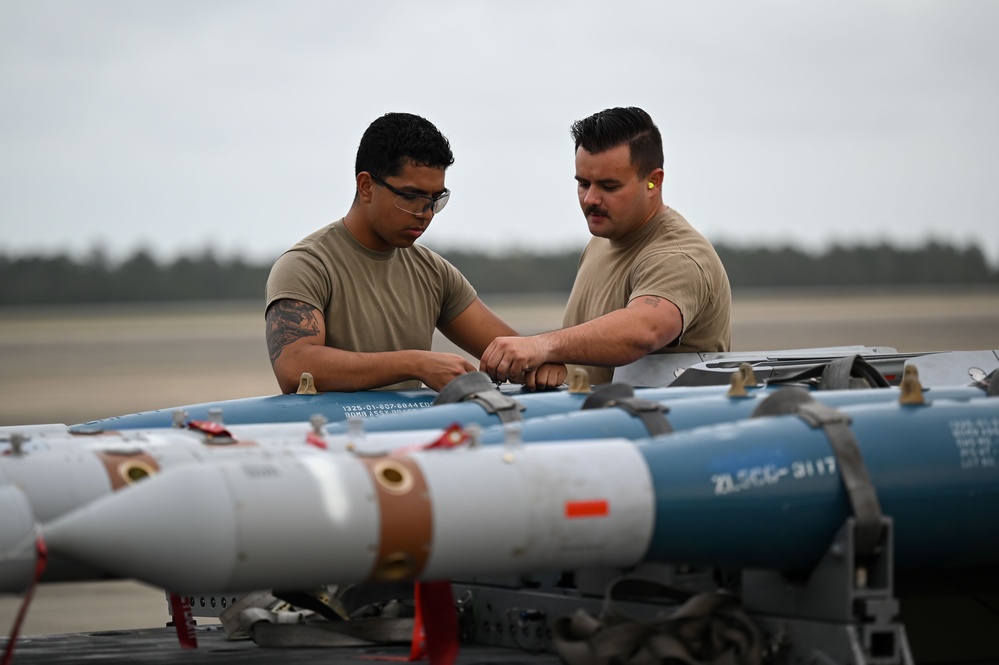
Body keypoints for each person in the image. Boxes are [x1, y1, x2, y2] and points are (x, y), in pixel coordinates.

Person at [265, 112, 566, 393]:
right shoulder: (306, 265)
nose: (425, 213)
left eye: (436, 199)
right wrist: (416, 365)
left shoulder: (433, 273)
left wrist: (540, 359)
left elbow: (513, 350)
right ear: (366, 186)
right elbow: (294, 367)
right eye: (410, 196)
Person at [480, 106, 731, 386]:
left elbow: (643, 331)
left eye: (609, 186)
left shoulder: (677, 256)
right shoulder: (601, 240)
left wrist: (542, 346)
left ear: (653, 181)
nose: (590, 199)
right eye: (583, 183)